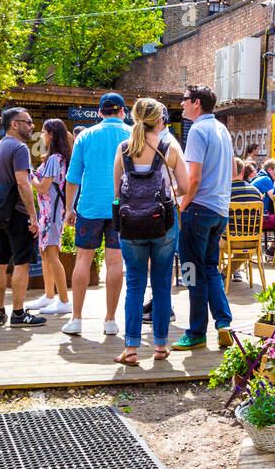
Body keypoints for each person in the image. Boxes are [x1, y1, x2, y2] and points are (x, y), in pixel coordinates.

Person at [113, 97, 189, 365]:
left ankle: (131, 349)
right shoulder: (169, 149)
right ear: (159, 120)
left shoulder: (123, 149)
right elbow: (185, 186)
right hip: (163, 224)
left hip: (131, 225)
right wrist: (168, 193)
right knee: (161, 285)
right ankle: (160, 346)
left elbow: (117, 194)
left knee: (134, 284)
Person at [172, 84, 235, 351]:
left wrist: (182, 205)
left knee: (192, 272)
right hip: (219, 210)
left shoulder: (197, 130)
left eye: (184, 100)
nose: (181, 104)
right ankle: (223, 323)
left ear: (196, 102)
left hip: (197, 209)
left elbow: (194, 178)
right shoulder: (222, 129)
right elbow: (232, 171)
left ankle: (197, 332)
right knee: (209, 269)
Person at [63, 93, 131, 336]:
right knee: (115, 262)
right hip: (121, 206)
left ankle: (77, 318)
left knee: (83, 260)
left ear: (100, 112)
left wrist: (69, 208)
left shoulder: (86, 136)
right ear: (123, 111)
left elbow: (72, 178)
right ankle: (110, 320)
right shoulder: (132, 135)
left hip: (89, 206)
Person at [0, 107, 45, 327]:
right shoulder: (20, 148)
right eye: (28, 122)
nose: (32, 126)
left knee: (0, 261)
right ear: (14, 124)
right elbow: (23, 183)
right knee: (22, 263)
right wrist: (33, 215)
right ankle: (19, 313)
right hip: (18, 212)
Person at [28, 118, 74, 315]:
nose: (42, 136)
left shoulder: (55, 159)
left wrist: (29, 175)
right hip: (49, 212)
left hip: (52, 213)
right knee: (46, 253)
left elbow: (43, 187)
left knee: (52, 255)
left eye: (44, 133)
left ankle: (63, 300)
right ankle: (48, 296)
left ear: (52, 134)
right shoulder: (57, 158)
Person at [251, 157, 275, 237]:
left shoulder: (262, 177)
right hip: (256, 219)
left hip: (252, 216)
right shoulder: (266, 179)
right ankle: (273, 247)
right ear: (270, 170)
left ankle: (272, 247)